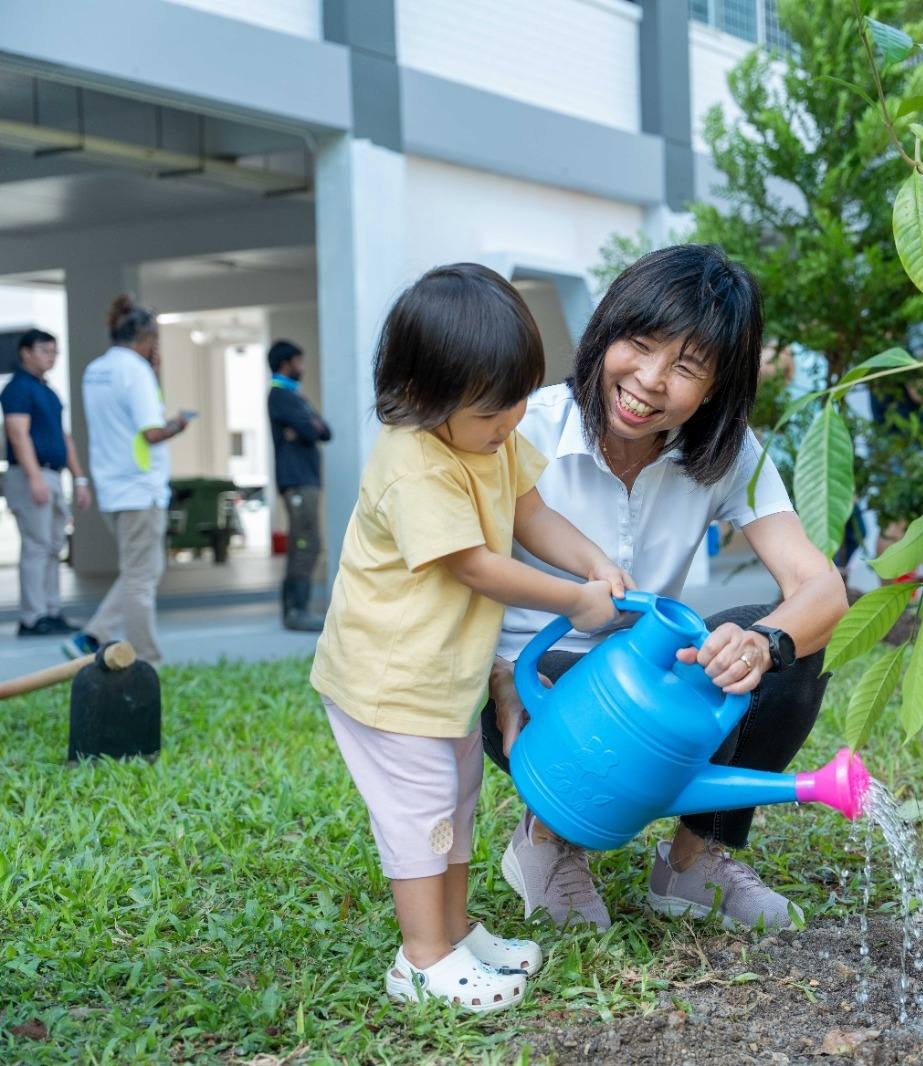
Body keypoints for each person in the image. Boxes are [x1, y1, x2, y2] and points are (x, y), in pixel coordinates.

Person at [482, 245, 848, 933]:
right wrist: (497, 674)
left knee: (783, 644)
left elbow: (819, 585)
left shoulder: (726, 451)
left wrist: (764, 644)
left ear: (716, 386)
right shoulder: (519, 427)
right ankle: (548, 843)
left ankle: (691, 862)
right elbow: (454, 569)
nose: (649, 381)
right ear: (605, 333)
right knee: (593, 681)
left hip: (643, 677)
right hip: (524, 684)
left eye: (686, 367)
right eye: (640, 345)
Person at [310, 263, 630, 1013]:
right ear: (424, 398)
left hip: (444, 674)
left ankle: (453, 935)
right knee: (420, 810)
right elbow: (476, 566)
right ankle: (421, 960)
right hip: (389, 679)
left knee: (455, 799)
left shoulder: (489, 438)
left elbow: (530, 513)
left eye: (520, 398)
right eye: (494, 410)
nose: (512, 420)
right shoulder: (413, 462)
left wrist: (593, 560)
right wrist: (574, 600)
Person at [62, 298, 192, 662]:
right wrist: (179, 424)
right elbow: (151, 432)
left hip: (111, 484)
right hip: (140, 485)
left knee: (143, 569)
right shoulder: (135, 371)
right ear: (146, 337)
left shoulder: (95, 370)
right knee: (141, 577)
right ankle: (146, 656)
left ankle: (93, 635)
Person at [3, 329, 91, 635]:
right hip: (31, 475)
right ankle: (33, 616)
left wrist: (79, 477)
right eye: (44, 350)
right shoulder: (18, 389)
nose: (50, 357)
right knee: (37, 546)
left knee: (54, 545)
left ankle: (51, 610)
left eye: (54, 351)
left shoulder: (49, 391)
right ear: (25, 352)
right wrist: (34, 476)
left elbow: (64, 437)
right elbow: (17, 433)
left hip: (53, 474)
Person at [266, 339, 331, 631]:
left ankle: (296, 609)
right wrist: (307, 425)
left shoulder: (296, 398)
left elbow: (324, 431)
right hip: (296, 480)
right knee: (306, 543)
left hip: (307, 478)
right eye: (298, 362)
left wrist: (308, 426)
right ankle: (297, 611)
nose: (302, 368)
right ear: (285, 364)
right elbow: (311, 427)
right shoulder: (280, 396)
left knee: (305, 542)